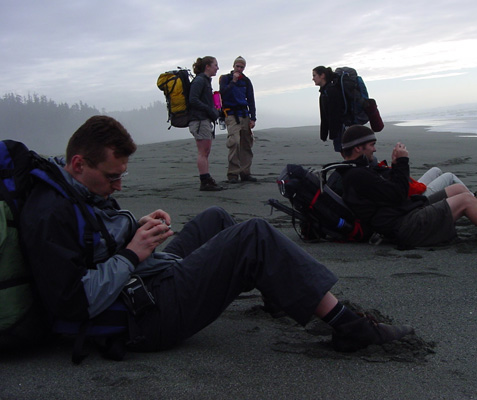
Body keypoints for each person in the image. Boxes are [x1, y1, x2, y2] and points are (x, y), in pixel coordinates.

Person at [19, 116, 414, 355]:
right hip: (142, 317)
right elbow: (73, 304)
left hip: (141, 281)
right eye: (112, 177)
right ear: (77, 163)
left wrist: (133, 229)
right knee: (254, 235)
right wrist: (131, 255)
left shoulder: (70, 188)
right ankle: (350, 327)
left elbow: (94, 243)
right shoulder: (49, 215)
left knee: (214, 216)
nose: (119, 186)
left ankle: (283, 291)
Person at [337, 125, 477, 250]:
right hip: (405, 228)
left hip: (404, 215)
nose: (374, 149)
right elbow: (397, 195)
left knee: (457, 190)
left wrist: (396, 166)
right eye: (371, 144)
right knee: (464, 201)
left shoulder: (356, 171)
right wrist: (402, 163)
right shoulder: (357, 175)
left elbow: (392, 195)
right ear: (358, 148)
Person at [312, 66, 370, 154]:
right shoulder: (325, 92)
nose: (313, 79)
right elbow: (325, 115)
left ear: (322, 75)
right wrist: (324, 134)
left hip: (343, 128)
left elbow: (334, 114)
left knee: (348, 153)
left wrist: (331, 133)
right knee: (350, 153)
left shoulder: (330, 91)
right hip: (344, 127)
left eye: (314, 75)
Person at [219, 56, 257, 183]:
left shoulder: (246, 81)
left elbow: (251, 99)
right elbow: (223, 93)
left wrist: (253, 118)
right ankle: (233, 174)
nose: (239, 69)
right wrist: (233, 81)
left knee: (246, 144)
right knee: (234, 142)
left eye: (242, 67)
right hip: (231, 114)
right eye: (237, 66)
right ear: (233, 66)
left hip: (244, 114)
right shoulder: (225, 78)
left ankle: (245, 172)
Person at [188, 56, 223, 191]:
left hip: (202, 119)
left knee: (205, 152)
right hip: (199, 120)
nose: (217, 68)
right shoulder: (200, 81)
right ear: (207, 66)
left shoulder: (204, 81)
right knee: (203, 152)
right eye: (215, 65)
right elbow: (193, 100)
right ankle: (205, 181)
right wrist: (210, 110)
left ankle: (207, 179)